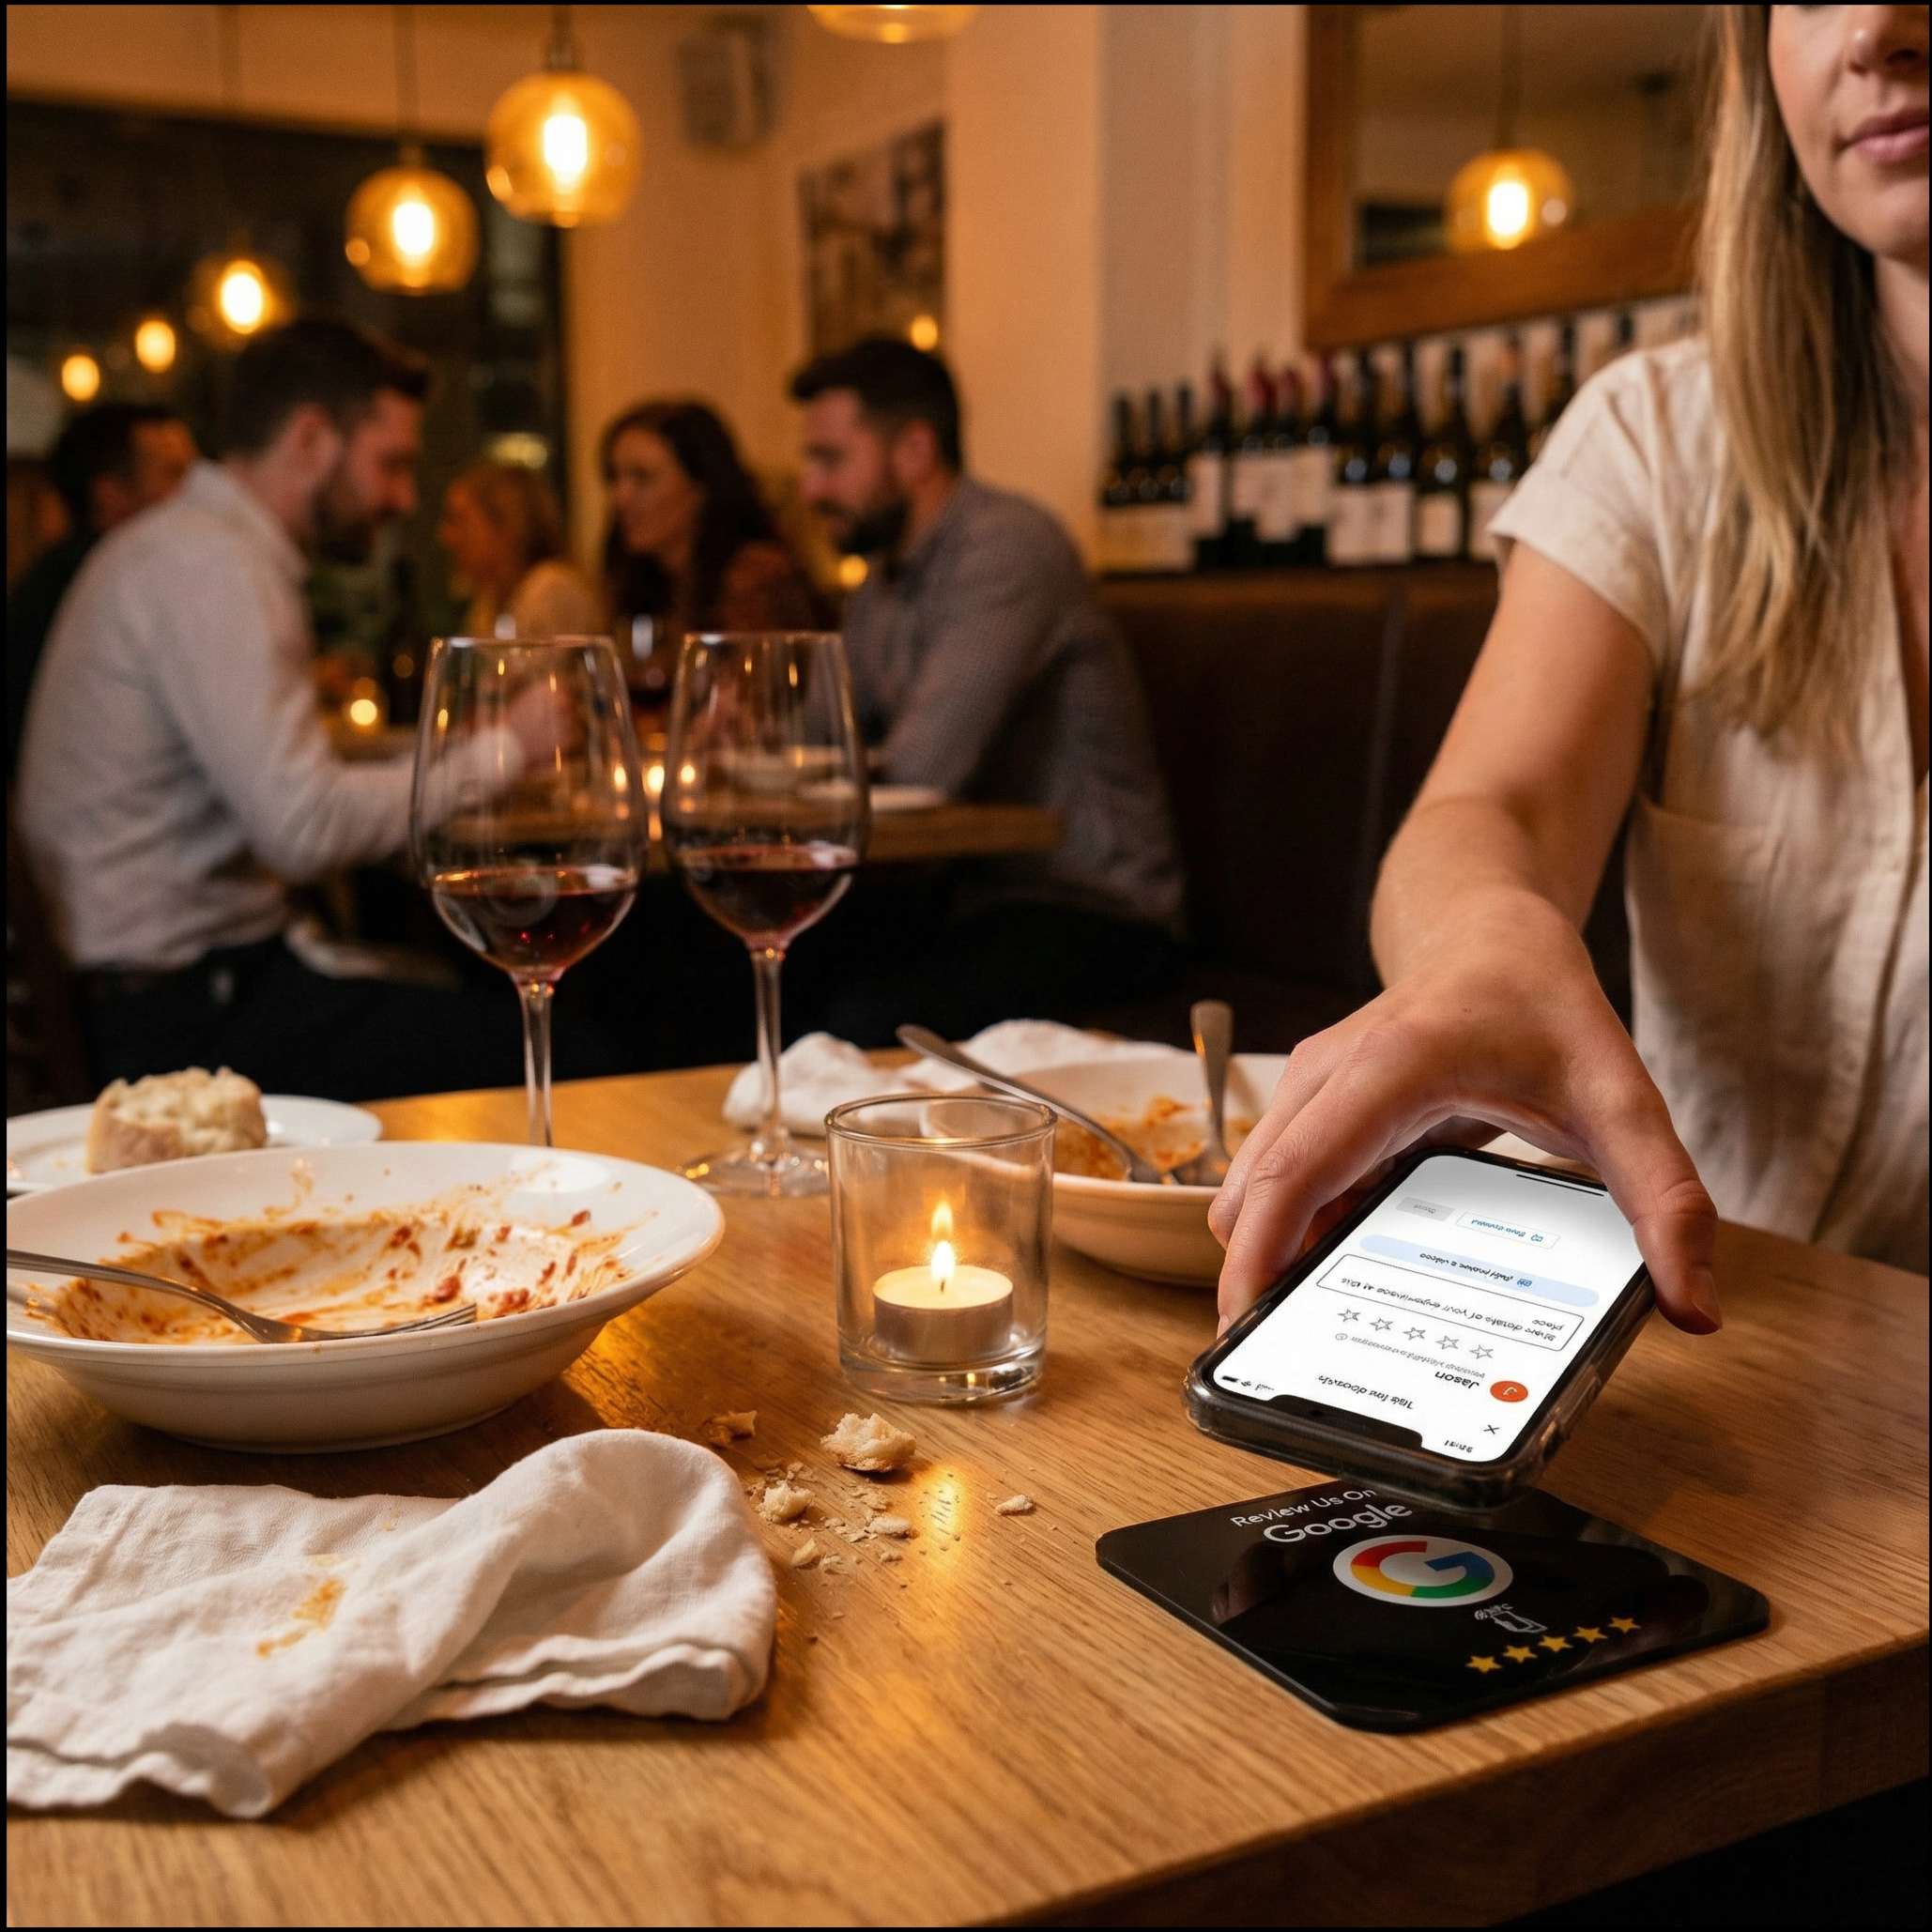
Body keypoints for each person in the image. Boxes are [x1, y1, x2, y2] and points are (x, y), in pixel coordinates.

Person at [1212, 6, 1928, 1335]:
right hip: (1730, 1339)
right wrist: (1486, 943)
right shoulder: (1656, 437)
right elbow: (1498, 811)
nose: (1877, 27)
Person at [17, 316, 561, 1101]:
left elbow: (289, 770)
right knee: (565, 1044)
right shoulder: (212, 565)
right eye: (392, 464)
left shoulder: (195, 546)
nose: (405, 498)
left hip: (182, 986)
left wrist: (450, 752)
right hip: (175, 1021)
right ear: (311, 439)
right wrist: (503, 754)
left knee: (479, 995)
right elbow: (302, 827)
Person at [787, 336, 1184, 1043]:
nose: (811, 488)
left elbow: (923, 767)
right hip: (974, 894)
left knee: (856, 1012)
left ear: (913, 451)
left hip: (1094, 905)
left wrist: (823, 758)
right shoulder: (885, 574)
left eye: (830, 460)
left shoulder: (1008, 548)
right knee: (722, 968)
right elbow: (819, 740)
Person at [7, 403, 195, 782]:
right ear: (110, 495)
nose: (194, 494)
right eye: (174, 475)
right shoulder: (102, 587)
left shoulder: (74, 571)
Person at [601, 399, 819, 652]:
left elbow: (760, 682)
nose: (621, 497)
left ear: (701, 486)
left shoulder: (753, 578)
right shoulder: (646, 580)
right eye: (614, 477)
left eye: (642, 477)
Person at [436, 458, 602, 640]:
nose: (445, 536)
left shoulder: (551, 589)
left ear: (505, 523)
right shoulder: (487, 604)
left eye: (459, 520)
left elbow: (527, 667)